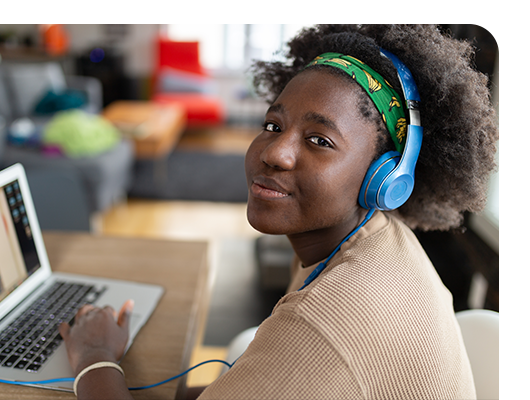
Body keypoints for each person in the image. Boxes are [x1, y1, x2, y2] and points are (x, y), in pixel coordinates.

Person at [58, 24, 498, 399]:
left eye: (319, 140)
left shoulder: (327, 322)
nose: (276, 153)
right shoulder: (376, 238)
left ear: (384, 178)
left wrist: (94, 356)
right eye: (273, 125)